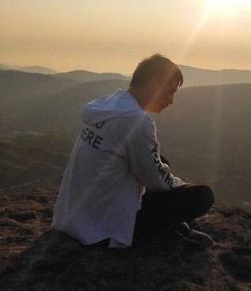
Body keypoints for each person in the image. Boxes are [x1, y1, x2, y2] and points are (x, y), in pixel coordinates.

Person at [52, 53, 215, 248]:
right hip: (105, 225)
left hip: (74, 215)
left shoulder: (107, 106)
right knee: (203, 196)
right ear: (153, 85)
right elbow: (155, 180)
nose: (171, 101)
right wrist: (182, 186)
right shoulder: (137, 122)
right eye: (170, 92)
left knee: (161, 161)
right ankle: (169, 229)